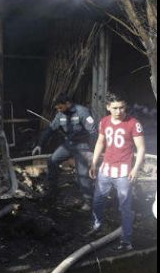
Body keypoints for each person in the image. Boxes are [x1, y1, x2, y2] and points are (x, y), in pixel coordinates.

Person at [88, 93, 145, 251]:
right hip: (105, 169)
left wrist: (135, 168)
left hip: (124, 172)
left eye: (121, 107)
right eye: (114, 108)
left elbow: (141, 148)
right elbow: (100, 142)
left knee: (125, 207)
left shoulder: (133, 123)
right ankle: (98, 224)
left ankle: (126, 240)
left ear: (125, 106)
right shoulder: (104, 121)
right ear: (108, 107)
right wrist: (94, 163)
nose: (118, 111)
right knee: (98, 200)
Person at [31, 93, 97, 210]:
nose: (58, 110)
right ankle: (53, 192)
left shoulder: (82, 111)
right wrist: (39, 145)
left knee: (82, 174)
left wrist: (91, 151)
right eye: (57, 108)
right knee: (52, 161)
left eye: (60, 107)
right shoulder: (60, 114)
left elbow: (93, 132)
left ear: (67, 103)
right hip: (69, 144)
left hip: (82, 145)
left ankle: (88, 201)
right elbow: (50, 130)